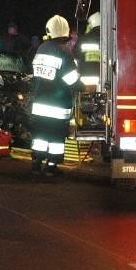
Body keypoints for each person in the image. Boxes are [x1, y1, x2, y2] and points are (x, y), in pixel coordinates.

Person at [29, 15, 85, 178]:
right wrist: (82, 87)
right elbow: (71, 79)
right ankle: (51, 167)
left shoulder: (41, 48)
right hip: (57, 106)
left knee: (39, 136)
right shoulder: (64, 51)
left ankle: (35, 165)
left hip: (39, 104)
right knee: (56, 138)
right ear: (65, 32)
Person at [74, 11, 101, 90]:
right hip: (104, 80)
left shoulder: (83, 39)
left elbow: (75, 57)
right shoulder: (108, 38)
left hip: (85, 84)